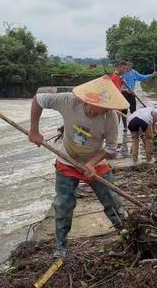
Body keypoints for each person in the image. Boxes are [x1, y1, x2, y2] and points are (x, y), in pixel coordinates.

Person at [28, 76, 130, 258]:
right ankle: (61, 247)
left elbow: (111, 148)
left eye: (108, 107)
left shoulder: (110, 117)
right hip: (67, 160)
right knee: (63, 205)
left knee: (112, 201)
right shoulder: (69, 101)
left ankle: (128, 236)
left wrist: (91, 163)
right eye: (101, 107)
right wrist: (34, 130)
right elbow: (38, 100)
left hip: (96, 162)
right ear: (89, 100)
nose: (104, 111)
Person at [111, 61, 129, 131]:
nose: (125, 70)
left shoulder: (118, 77)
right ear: (118, 67)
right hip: (115, 104)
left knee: (116, 122)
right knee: (115, 122)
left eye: (126, 68)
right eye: (124, 68)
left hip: (116, 103)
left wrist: (122, 83)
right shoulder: (115, 77)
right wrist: (123, 85)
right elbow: (117, 93)